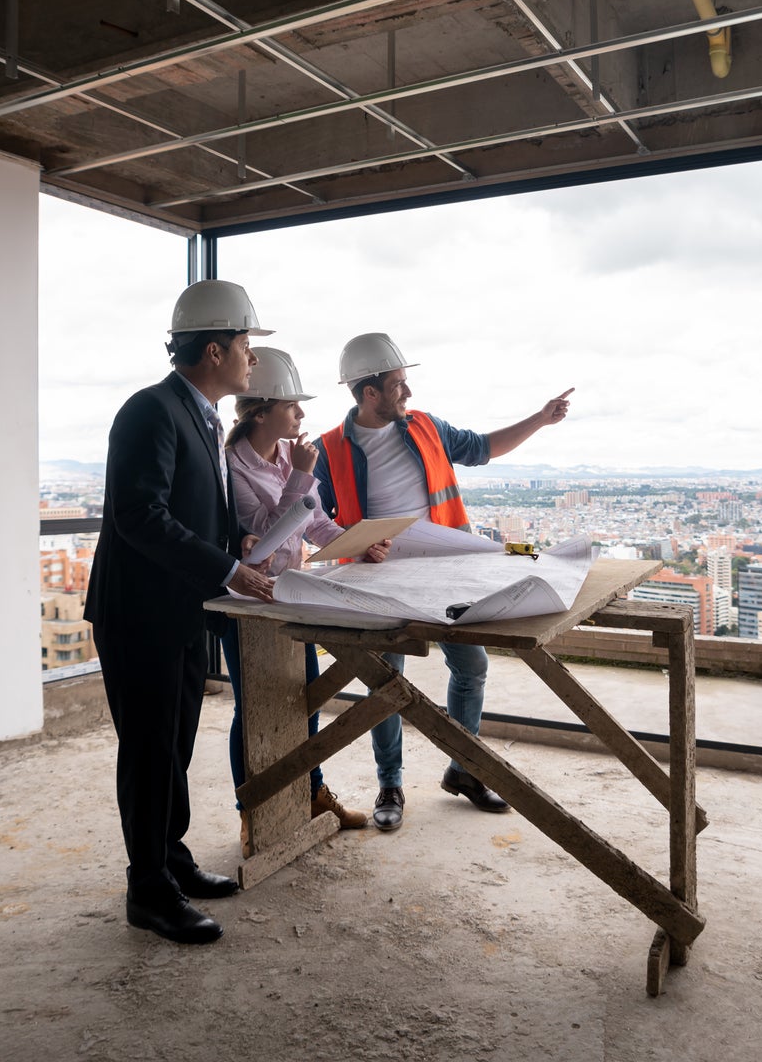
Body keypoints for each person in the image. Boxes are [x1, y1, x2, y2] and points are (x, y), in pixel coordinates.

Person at [313, 332, 573, 832]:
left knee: (471, 666)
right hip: (378, 580)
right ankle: (390, 783)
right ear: (369, 392)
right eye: (398, 384)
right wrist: (354, 544)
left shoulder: (427, 427)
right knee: (384, 682)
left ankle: (464, 769)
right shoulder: (328, 449)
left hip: (447, 570)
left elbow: (484, 448)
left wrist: (540, 419)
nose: (408, 392)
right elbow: (315, 519)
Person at [85, 279, 276, 945]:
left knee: (175, 746)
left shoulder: (202, 416)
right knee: (149, 750)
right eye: (247, 344)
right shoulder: (151, 410)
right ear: (215, 350)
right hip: (140, 614)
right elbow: (140, 515)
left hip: (182, 609)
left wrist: (235, 541)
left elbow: (193, 510)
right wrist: (227, 569)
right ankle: (148, 891)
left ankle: (169, 858)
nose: (253, 357)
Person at [224, 346, 390, 849]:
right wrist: (299, 474)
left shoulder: (287, 456)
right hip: (249, 601)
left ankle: (313, 792)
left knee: (307, 698)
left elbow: (314, 521)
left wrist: (356, 544)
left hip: (292, 593)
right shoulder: (233, 466)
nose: (300, 414)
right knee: (253, 708)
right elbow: (264, 531)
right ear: (261, 412)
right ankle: (252, 811)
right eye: (291, 405)